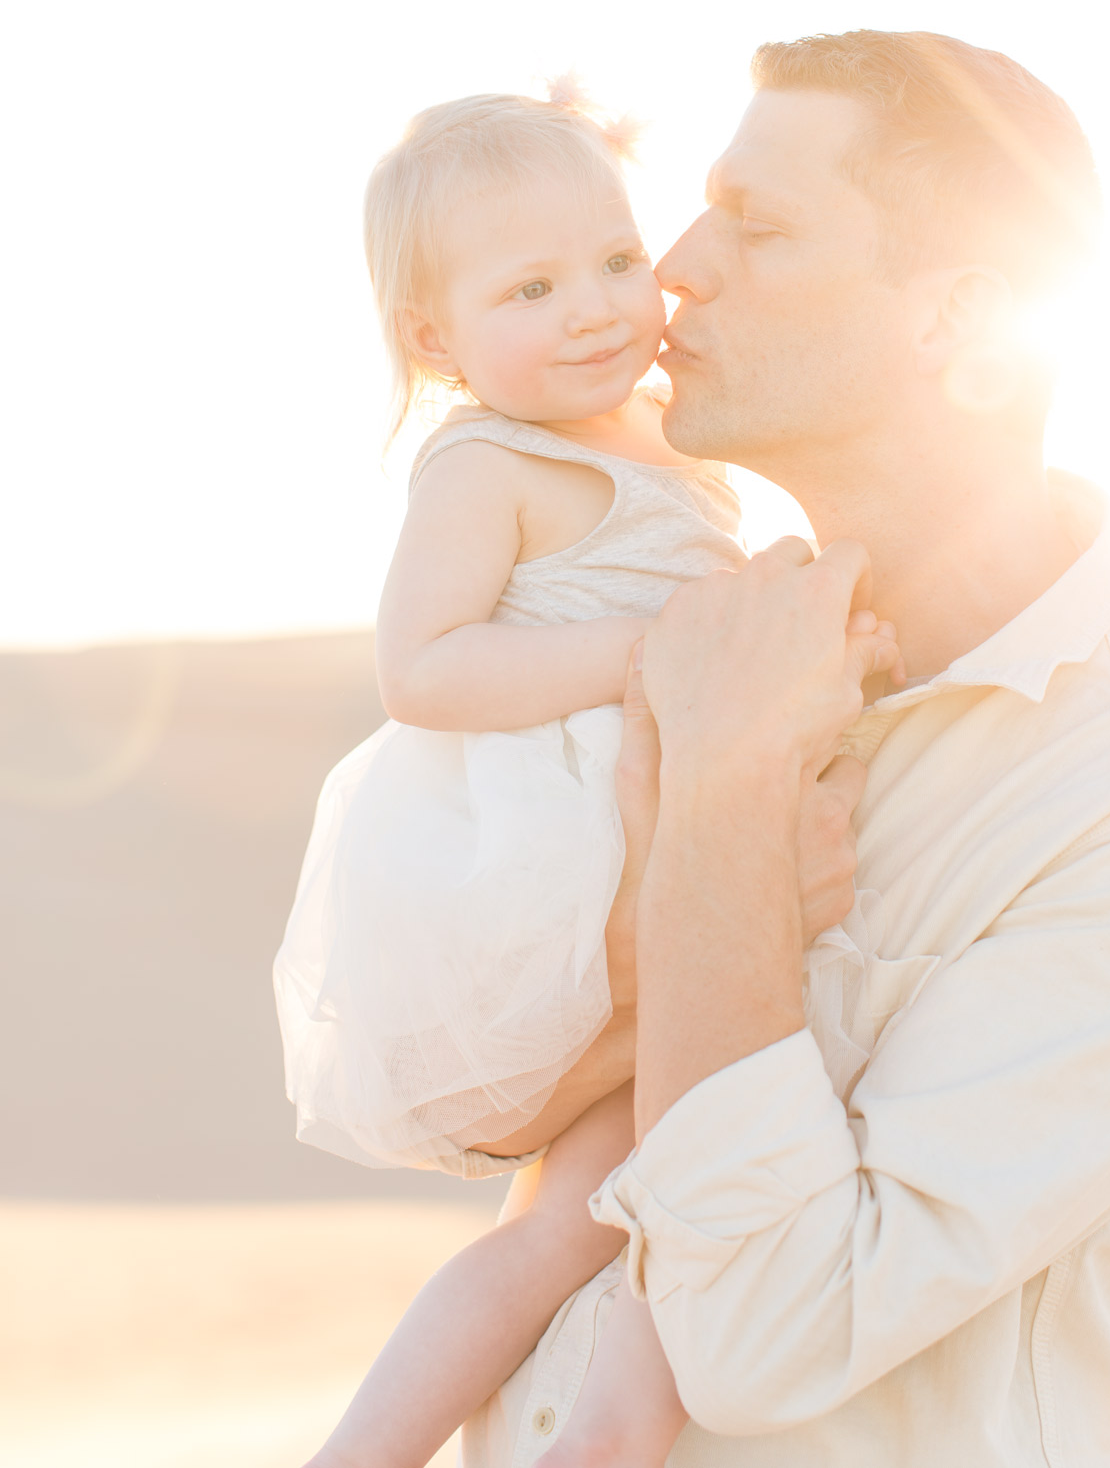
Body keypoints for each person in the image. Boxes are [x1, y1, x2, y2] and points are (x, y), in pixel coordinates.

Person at [462, 30, 1110, 1467]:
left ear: (961, 323)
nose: (673, 261)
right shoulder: (712, 634)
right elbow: (479, 1106)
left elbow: (766, 1335)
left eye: (761, 224)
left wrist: (725, 799)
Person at [274, 86, 897, 1468]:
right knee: (680, 1147)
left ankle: (608, 1421)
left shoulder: (675, 428)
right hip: (574, 866)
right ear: (435, 340)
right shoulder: (489, 464)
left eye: (616, 260)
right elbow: (421, 668)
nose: (596, 307)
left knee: (629, 1190)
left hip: (692, 832)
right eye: (531, 287)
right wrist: (661, 647)